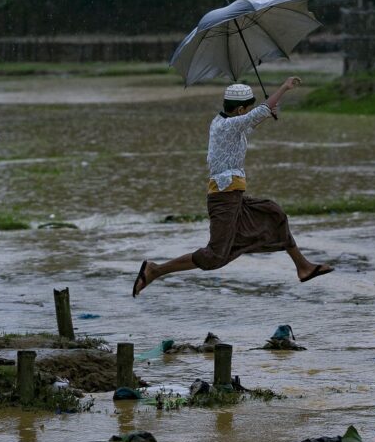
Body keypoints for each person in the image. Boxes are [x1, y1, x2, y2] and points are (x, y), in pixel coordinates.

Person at [133, 77, 333, 296]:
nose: (249, 113)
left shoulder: (225, 122)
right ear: (239, 110)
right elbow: (256, 115)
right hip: (224, 197)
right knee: (214, 256)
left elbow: (251, 122)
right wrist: (284, 88)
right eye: (247, 109)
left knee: (274, 214)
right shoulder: (227, 125)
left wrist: (266, 114)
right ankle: (155, 270)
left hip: (234, 196)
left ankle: (303, 267)